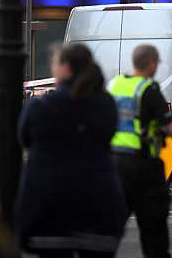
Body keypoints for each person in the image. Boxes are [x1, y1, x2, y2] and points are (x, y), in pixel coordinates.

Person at [16, 44, 127, 257]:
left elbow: (24, 139)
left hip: (49, 209)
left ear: (65, 67)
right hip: (99, 205)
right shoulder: (106, 105)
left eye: (54, 64)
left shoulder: (40, 107)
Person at [109, 44, 172, 258]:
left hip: (113, 164)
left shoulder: (114, 85)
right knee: (153, 230)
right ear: (152, 64)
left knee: (111, 227)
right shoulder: (149, 89)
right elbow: (171, 128)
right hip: (143, 167)